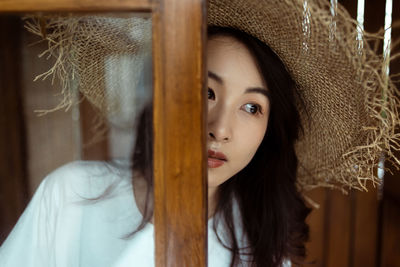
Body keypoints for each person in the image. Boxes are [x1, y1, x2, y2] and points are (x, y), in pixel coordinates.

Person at [1, 0, 399, 266]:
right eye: (206, 92)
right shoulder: (72, 194)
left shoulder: (262, 236)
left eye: (251, 107)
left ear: (269, 134)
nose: (220, 129)